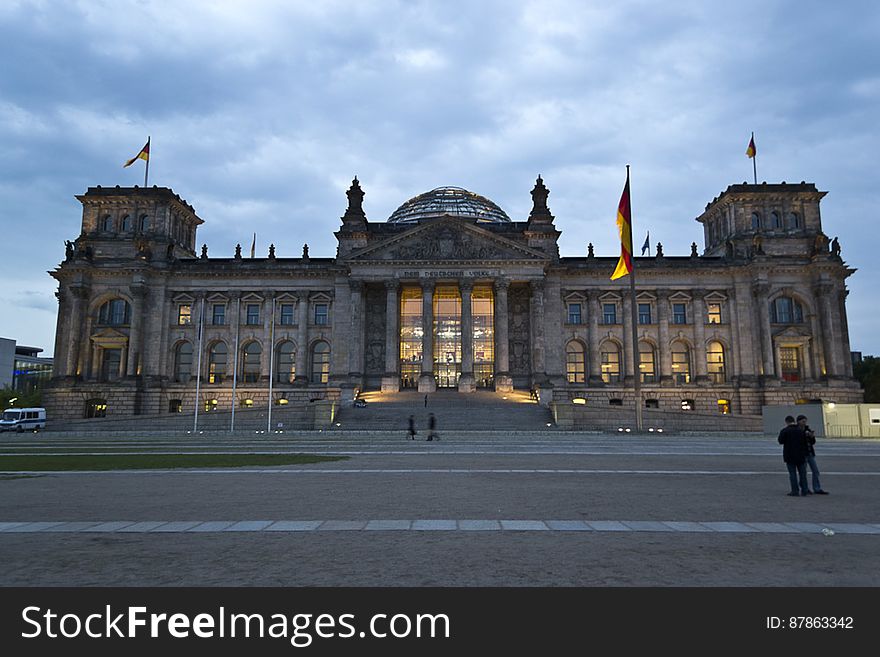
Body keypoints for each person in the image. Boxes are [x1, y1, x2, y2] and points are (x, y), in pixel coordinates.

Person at [778, 415, 809, 496]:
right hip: (801, 455)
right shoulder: (800, 430)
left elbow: (780, 441)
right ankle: (804, 490)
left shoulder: (785, 430)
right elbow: (805, 442)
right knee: (803, 474)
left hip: (790, 456)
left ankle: (795, 491)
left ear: (787, 422)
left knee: (792, 474)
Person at [797, 415, 829, 494]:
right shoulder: (797, 430)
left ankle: (817, 488)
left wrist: (811, 437)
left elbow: (813, 442)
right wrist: (804, 435)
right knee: (803, 472)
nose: (804, 423)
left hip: (810, 453)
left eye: (805, 421)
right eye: (803, 421)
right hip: (802, 454)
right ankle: (805, 487)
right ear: (798, 421)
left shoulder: (808, 429)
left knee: (815, 471)